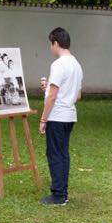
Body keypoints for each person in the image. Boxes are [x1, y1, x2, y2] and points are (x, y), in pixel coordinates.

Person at [38, 27, 83, 206]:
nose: (51, 48)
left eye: (51, 44)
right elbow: (77, 95)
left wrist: (43, 120)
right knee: (63, 154)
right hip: (70, 116)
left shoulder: (58, 65)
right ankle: (63, 192)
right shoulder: (77, 65)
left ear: (55, 43)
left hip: (57, 116)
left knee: (55, 154)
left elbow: (52, 95)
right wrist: (48, 87)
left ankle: (58, 195)